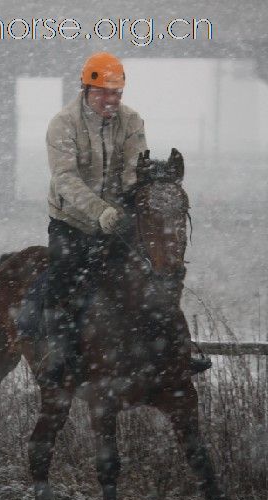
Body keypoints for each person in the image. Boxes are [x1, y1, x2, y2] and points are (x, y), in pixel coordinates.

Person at [43, 52, 209, 387]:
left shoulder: (132, 121)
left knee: (155, 276)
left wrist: (148, 194)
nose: (111, 100)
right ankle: (56, 354)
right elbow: (66, 179)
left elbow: (135, 170)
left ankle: (177, 347)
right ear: (86, 90)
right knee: (62, 282)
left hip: (118, 221)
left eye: (116, 93)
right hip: (71, 221)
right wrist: (98, 210)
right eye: (103, 92)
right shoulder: (63, 123)